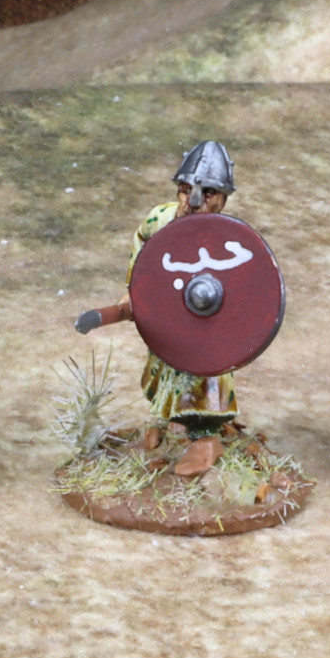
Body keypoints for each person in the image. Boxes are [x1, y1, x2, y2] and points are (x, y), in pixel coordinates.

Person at [132, 140, 245, 476]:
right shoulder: (160, 218)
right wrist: (135, 291)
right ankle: (177, 421)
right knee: (166, 364)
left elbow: (244, 284)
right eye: (186, 190)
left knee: (206, 371)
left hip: (208, 324)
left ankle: (206, 439)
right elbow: (143, 248)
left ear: (223, 198)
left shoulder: (228, 241)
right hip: (169, 316)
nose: (194, 201)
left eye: (208, 193)